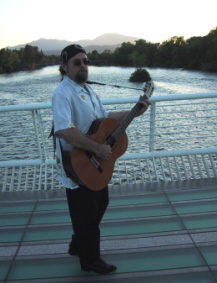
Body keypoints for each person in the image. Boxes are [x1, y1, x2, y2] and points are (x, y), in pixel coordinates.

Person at [52, 44, 151, 274]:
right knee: (86, 212)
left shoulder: (87, 89)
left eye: (85, 61)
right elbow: (63, 130)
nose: (83, 65)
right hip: (78, 163)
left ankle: (78, 244)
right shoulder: (62, 93)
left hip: (93, 161)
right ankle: (90, 261)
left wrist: (133, 111)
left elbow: (105, 119)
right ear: (65, 66)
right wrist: (97, 148)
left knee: (98, 205)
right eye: (77, 62)